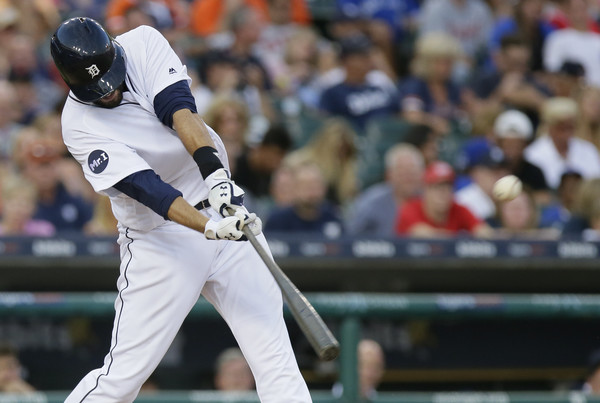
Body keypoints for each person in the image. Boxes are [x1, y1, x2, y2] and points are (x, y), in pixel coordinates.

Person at [50, 17, 310, 403]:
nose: (107, 92)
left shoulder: (141, 42)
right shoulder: (78, 125)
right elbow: (148, 189)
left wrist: (218, 179)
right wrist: (207, 226)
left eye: (109, 78)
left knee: (276, 360)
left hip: (224, 210)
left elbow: (180, 110)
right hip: (161, 239)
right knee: (121, 379)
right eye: (95, 88)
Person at [319, 34, 400, 132]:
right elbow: (327, 127)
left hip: (387, 138)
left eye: (368, 55)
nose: (369, 60)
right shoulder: (333, 93)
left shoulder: (380, 83)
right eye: (362, 56)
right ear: (345, 61)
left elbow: (398, 113)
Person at [396, 161, 493, 238]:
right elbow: (421, 234)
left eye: (447, 187)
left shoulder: (458, 209)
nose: (442, 193)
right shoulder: (410, 208)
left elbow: (483, 232)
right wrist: (461, 237)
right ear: (426, 190)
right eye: (437, 187)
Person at [347, 143, 424, 236]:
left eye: (412, 172)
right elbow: (352, 236)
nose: (408, 178)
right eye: (402, 173)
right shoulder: (371, 202)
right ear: (389, 174)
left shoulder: (430, 200)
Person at [525, 97, 600, 189]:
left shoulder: (588, 150)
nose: (566, 134)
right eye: (561, 128)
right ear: (550, 128)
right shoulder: (533, 154)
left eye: (570, 128)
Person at [265, 162, 343, 238]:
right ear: (294, 188)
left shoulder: (333, 216)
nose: (312, 191)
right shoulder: (278, 220)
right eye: (306, 186)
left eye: (316, 185)